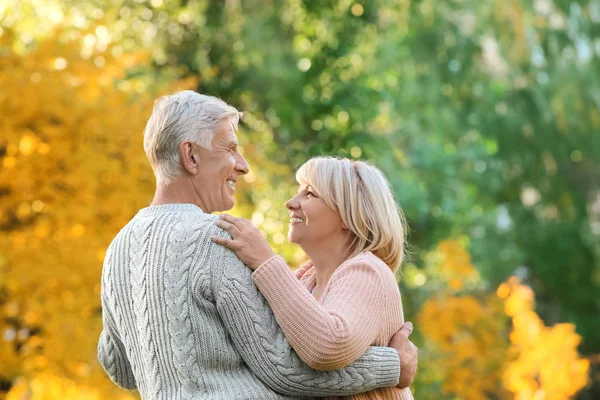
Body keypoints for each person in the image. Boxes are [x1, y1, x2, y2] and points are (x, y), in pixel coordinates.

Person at [97, 90, 418, 399]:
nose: (243, 165)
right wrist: (393, 365)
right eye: (230, 149)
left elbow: (120, 368)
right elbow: (284, 368)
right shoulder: (218, 237)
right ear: (190, 156)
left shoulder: (118, 249)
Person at [213, 156, 416, 399]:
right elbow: (274, 360)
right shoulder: (306, 280)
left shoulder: (367, 272)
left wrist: (265, 261)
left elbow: (327, 347)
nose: (290, 203)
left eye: (310, 194)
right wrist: (394, 366)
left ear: (347, 214)